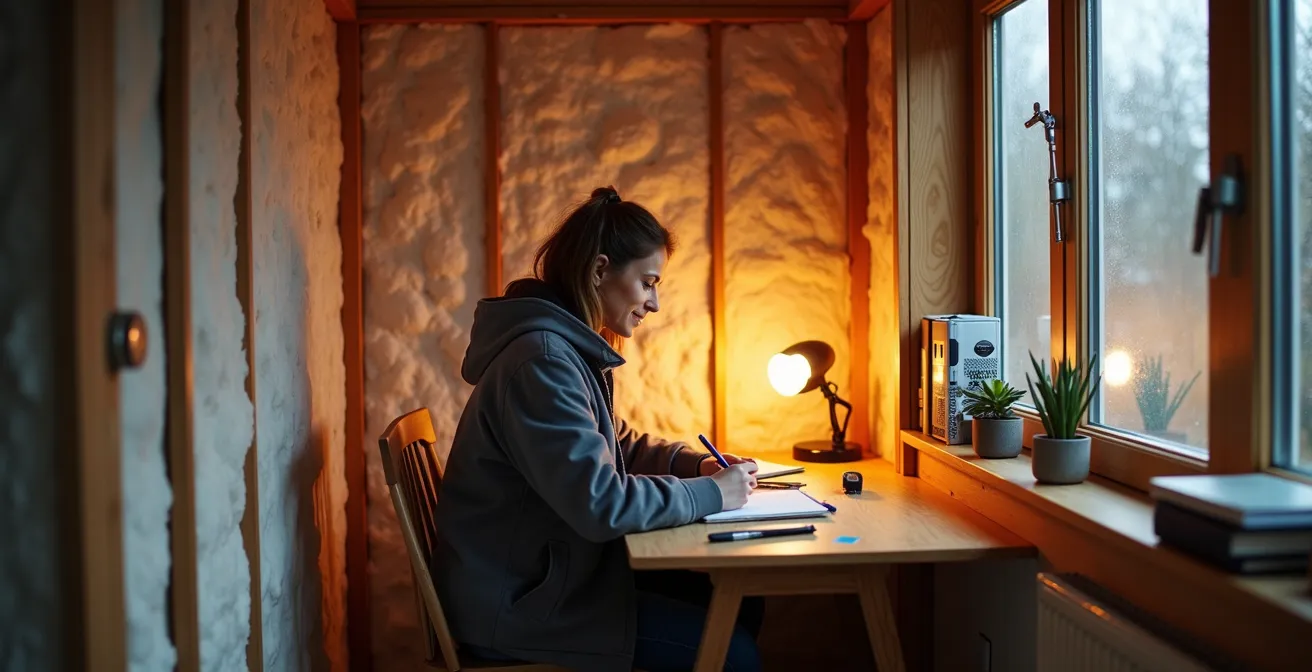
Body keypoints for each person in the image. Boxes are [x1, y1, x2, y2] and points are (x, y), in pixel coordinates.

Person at [433, 186, 764, 672]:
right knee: (735, 653)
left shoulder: (559, 348)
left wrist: (694, 465)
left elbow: (616, 443)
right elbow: (601, 504)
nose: (654, 303)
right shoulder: (543, 362)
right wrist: (711, 494)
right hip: (521, 609)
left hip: (545, 582)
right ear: (599, 270)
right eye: (648, 282)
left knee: (740, 599)